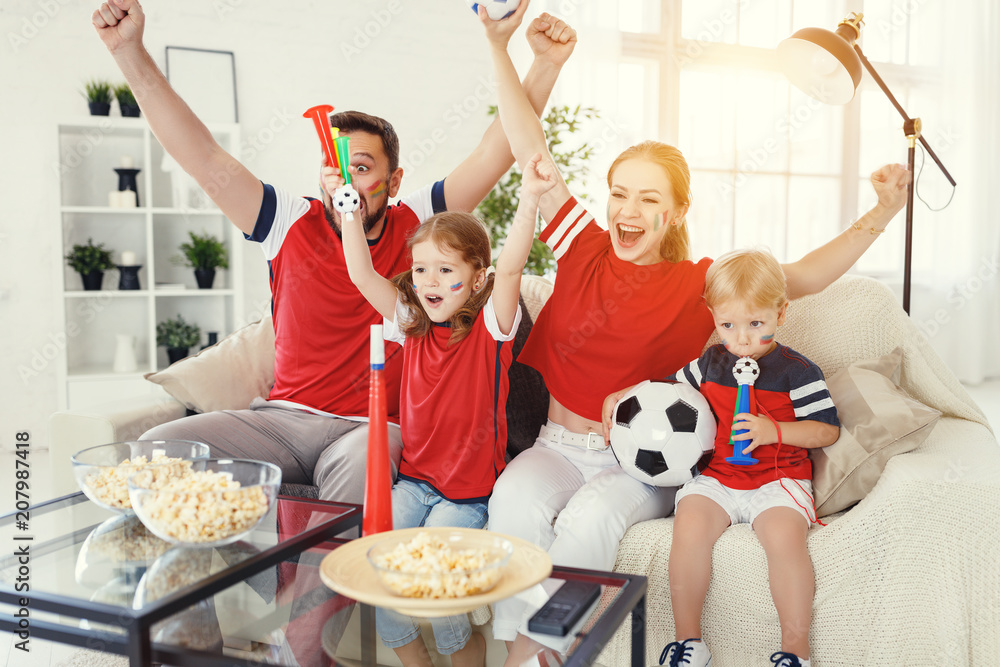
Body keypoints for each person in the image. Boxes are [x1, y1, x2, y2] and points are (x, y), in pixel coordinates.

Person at [478, 4, 910, 664]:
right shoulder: (582, 245)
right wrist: (496, 42)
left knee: (590, 521)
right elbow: (527, 143)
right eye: (620, 193)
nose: (629, 210)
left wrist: (882, 210)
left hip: (640, 460)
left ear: (678, 210)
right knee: (511, 499)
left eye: (649, 199)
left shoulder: (702, 285)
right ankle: (515, 651)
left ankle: (542, 655)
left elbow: (801, 276)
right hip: (558, 444)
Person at [91, 0, 576, 507]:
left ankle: (334, 587)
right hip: (281, 421)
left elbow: (492, 154)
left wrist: (543, 65)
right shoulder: (285, 220)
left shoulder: (419, 223)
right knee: (154, 451)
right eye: (335, 166)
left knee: (359, 473)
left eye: (362, 167)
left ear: (394, 179)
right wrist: (129, 51)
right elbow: (200, 154)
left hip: (370, 429)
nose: (347, 181)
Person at [340, 148, 557, 667]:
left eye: (444, 269)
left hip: (469, 495)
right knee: (377, 564)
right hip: (414, 482)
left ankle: (465, 654)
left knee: (436, 583)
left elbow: (510, 271)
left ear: (475, 278)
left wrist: (528, 198)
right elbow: (361, 275)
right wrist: (349, 210)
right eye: (420, 270)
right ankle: (415, 659)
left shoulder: (491, 330)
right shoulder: (412, 324)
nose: (429, 281)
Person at [656, 248, 839, 667]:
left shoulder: (798, 371)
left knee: (784, 540)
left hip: (779, 479)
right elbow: (669, 392)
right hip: (720, 477)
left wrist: (772, 431)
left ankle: (795, 651)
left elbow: (826, 430)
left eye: (756, 324)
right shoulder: (710, 363)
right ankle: (689, 643)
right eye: (728, 325)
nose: (741, 338)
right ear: (713, 317)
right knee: (689, 527)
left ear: (781, 312)